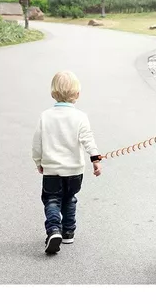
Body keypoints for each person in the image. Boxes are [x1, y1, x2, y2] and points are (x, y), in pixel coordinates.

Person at [32, 71, 103, 254]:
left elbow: (37, 143)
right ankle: (68, 232)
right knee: (69, 199)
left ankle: (54, 230)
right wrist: (95, 159)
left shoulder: (45, 116)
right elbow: (88, 139)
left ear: (52, 93)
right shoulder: (80, 117)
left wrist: (38, 161)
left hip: (52, 170)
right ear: (77, 95)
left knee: (52, 200)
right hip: (74, 171)